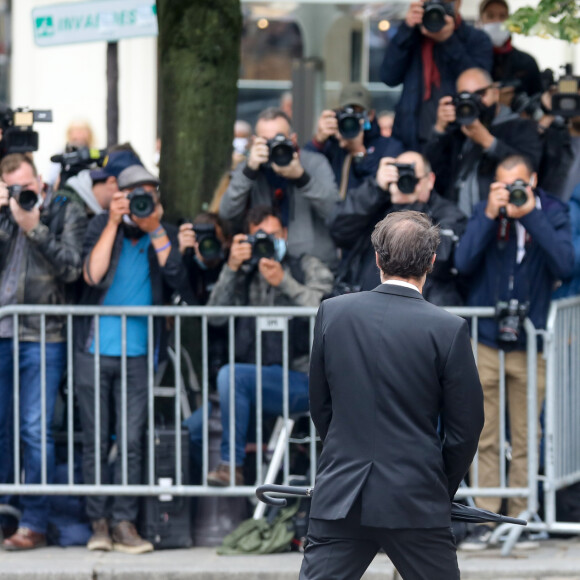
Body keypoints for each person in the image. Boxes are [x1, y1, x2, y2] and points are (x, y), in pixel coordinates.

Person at [299, 210, 484, 580]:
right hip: (415, 496)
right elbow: (465, 429)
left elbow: (320, 405)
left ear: (377, 257)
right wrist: (437, 486)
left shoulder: (333, 313)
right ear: (432, 261)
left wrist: (344, 454)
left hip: (342, 494)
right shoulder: (447, 329)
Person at [454, 155, 574, 550]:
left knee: (526, 434)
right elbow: (463, 262)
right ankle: (487, 519)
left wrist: (529, 216)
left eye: (519, 184)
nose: (512, 192)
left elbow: (566, 263)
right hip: (486, 340)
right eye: (504, 186)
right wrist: (489, 215)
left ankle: (520, 517)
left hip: (531, 340)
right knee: (484, 435)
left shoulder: (552, 213)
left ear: (534, 180)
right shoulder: (485, 211)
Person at [74, 164, 191, 554]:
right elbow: (92, 274)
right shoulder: (99, 226)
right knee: (94, 439)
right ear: (118, 196)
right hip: (94, 349)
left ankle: (124, 522)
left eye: (148, 194)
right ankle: (99, 524)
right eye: (134, 195)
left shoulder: (164, 233)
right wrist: (111, 222)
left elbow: (177, 278)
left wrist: (156, 227)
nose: (142, 202)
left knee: (131, 441)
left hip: (140, 354)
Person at [199, 205, 333, 486]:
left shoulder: (306, 266)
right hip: (255, 380)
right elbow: (215, 316)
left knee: (231, 376)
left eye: (273, 236)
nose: (267, 244)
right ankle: (225, 490)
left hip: (303, 380)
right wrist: (232, 267)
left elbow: (327, 310)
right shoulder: (244, 275)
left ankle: (230, 465)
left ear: (285, 234)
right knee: (195, 428)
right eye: (259, 238)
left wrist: (285, 283)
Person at [0, 153, 86, 550]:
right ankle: (7, 511)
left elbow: (72, 268)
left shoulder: (63, 210)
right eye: (14, 189)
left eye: (27, 188)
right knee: (3, 428)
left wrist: (34, 228)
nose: (23, 195)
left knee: (35, 429)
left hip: (42, 334)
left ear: (39, 179)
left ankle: (34, 520)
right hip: (3, 332)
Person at [329, 151, 467, 305]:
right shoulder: (377, 206)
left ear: (430, 180)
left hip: (417, 312)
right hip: (369, 309)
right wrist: (375, 187)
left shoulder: (446, 213)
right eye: (398, 173)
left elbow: (439, 259)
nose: (402, 182)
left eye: (410, 176)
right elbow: (338, 229)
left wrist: (410, 209)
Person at [219, 107, 340, 270]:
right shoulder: (248, 169)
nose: (273, 147)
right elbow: (227, 213)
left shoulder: (314, 163)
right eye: (266, 142)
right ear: (255, 142)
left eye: (279, 139)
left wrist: (302, 178)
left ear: (293, 139)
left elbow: (335, 211)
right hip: (264, 264)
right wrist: (249, 171)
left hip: (314, 267)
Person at [425, 67, 542, 217]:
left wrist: (489, 142)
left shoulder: (522, 127)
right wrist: (439, 129)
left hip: (501, 220)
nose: (474, 102)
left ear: (495, 92)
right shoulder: (457, 131)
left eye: (480, 94)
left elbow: (530, 168)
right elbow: (432, 174)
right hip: (456, 221)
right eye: (465, 97)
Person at [381, 0, 492, 151]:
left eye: (445, 2)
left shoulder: (476, 39)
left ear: (458, 3)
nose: (438, 7)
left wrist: (448, 41)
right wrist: (407, 28)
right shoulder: (412, 36)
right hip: (410, 139)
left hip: (458, 141)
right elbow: (388, 77)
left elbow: (479, 84)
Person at [304, 83, 403, 198]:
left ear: (370, 115)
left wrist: (359, 153)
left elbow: (380, 191)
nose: (352, 119)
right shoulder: (331, 144)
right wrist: (318, 141)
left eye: (358, 113)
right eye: (346, 113)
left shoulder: (388, 146)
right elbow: (306, 171)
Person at [477, 0, 543, 106]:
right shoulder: (471, 61)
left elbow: (538, 99)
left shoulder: (526, 62)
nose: (497, 21)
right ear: (480, 22)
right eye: (490, 16)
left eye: (502, 16)